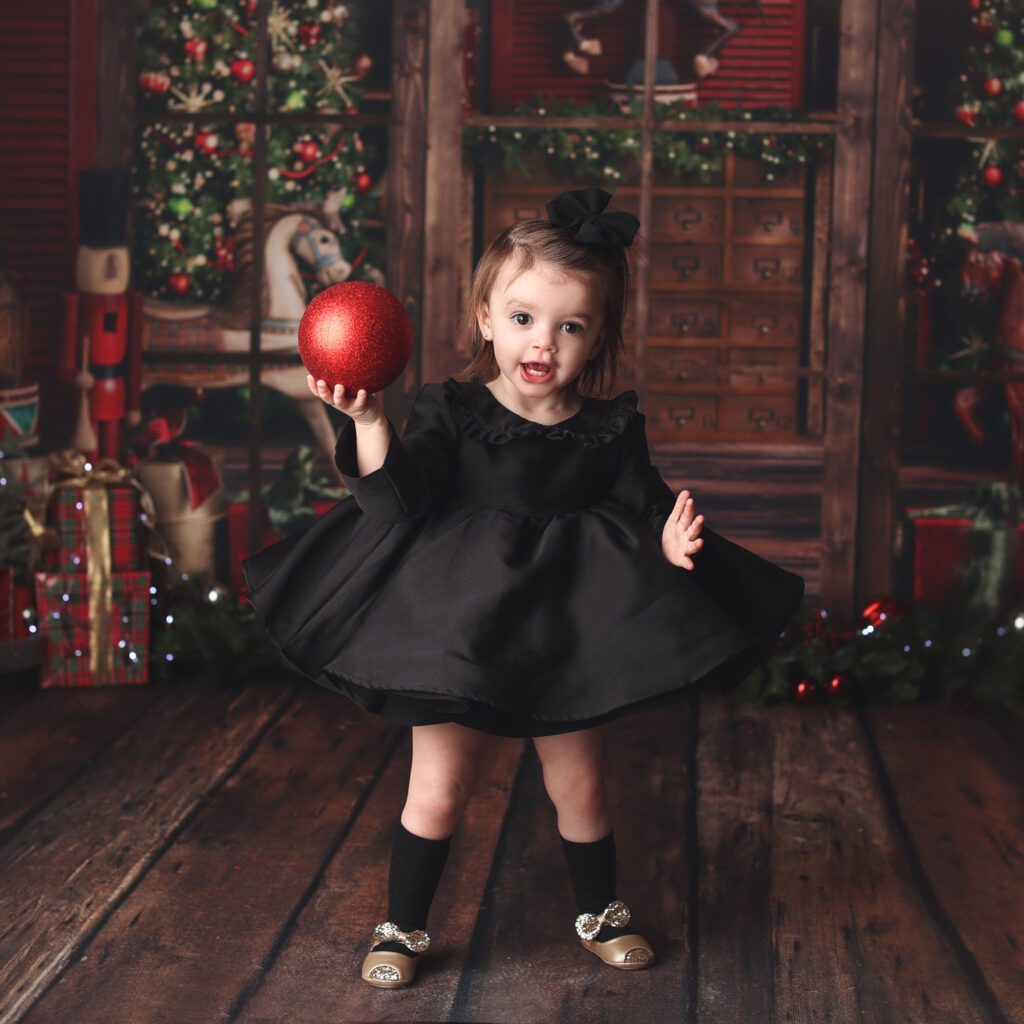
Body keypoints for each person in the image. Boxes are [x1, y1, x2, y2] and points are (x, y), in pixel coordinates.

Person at [242, 187, 805, 989]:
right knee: (438, 790)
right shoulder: (452, 411)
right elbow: (398, 499)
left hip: (566, 634)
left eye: (569, 326)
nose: (542, 342)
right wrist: (370, 426)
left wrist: (669, 539)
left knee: (579, 785)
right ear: (484, 316)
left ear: (599, 336)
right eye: (523, 319)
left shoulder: (610, 428)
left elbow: (646, 501)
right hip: (456, 627)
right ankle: (403, 924)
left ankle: (601, 911)